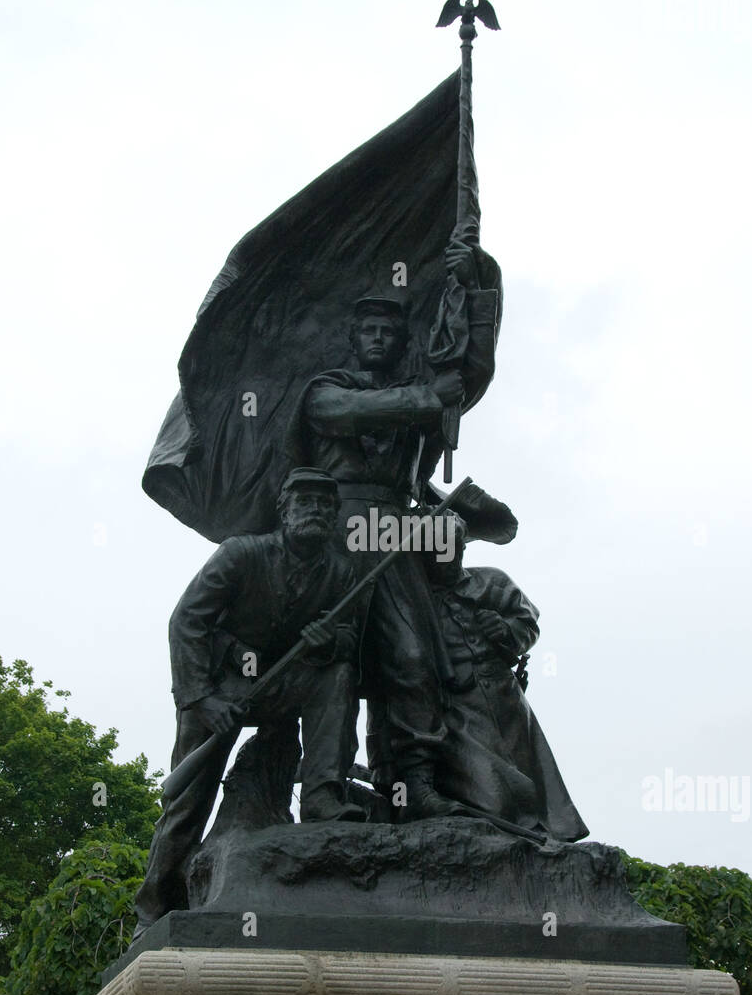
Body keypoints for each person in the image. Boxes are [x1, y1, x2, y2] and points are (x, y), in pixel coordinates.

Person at [286, 242, 500, 818]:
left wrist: (478, 287)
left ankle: (414, 784)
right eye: (369, 331)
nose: (379, 338)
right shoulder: (325, 390)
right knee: (335, 662)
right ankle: (324, 793)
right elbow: (349, 413)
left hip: (396, 533)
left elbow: (468, 379)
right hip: (337, 533)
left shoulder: (422, 399)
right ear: (354, 340)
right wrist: (427, 398)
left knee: (410, 659)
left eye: (388, 331)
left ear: (402, 342)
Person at [133, 468, 363, 936]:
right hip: (218, 686)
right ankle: (153, 910)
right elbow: (186, 622)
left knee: (336, 675)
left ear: (335, 515)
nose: (314, 510)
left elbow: (349, 639)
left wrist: (328, 643)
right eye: (305, 501)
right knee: (189, 800)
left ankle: (322, 795)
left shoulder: (342, 571)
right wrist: (200, 698)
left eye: (324, 504)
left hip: (282, 684)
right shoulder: (242, 554)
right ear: (284, 509)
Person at [416, 514, 589, 841]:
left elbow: (528, 622)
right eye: (435, 551)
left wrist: (506, 630)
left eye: (451, 549)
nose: (444, 558)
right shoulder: (415, 599)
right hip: (457, 709)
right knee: (492, 790)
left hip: (504, 697)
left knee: (530, 774)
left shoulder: (491, 581)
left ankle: (549, 832)